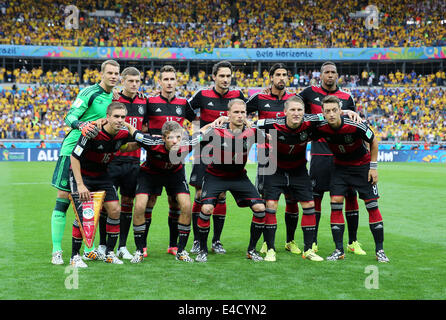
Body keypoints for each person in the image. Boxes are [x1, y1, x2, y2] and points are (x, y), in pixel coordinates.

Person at [50, 59, 120, 265]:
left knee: (89, 201)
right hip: (72, 149)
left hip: (91, 156)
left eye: (117, 73)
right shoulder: (90, 93)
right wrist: (82, 125)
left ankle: (89, 248)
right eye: (110, 73)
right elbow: (70, 116)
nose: (114, 76)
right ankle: (57, 250)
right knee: (63, 198)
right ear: (102, 74)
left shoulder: (113, 97)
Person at [124, 120, 216, 263]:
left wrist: (214, 123)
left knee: (186, 205)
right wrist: (122, 123)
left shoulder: (187, 143)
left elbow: (202, 132)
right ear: (163, 138)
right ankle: (139, 250)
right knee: (140, 206)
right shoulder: (152, 142)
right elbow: (134, 132)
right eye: (171, 138)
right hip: (150, 174)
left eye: (178, 137)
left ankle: (181, 250)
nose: (175, 141)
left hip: (175, 174)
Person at [298, 61, 364, 255]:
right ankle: (314, 241)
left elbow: (353, 124)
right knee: (316, 196)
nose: (329, 75)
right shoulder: (309, 93)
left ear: (337, 75)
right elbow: (293, 106)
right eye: (326, 72)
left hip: (344, 158)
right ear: (321, 75)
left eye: (333, 72)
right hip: (319, 154)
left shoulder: (346, 97)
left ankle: (353, 241)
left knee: (351, 196)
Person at [315, 96, 389, 263]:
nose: (332, 114)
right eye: (327, 111)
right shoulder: (321, 127)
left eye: (334, 110)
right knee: (335, 204)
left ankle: (380, 251)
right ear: (323, 113)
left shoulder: (355, 125)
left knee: (371, 205)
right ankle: (338, 250)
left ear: (340, 111)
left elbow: (373, 140)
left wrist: (373, 167)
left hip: (362, 167)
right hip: (339, 168)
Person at [253, 96, 324, 262]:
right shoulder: (271, 123)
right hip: (274, 169)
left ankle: (308, 250)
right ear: (284, 112)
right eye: (292, 110)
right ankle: (270, 249)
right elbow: (248, 124)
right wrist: (224, 118)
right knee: (270, 205)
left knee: (309, 205)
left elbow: (330, 116)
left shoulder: (311, 122)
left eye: (299, 110)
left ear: (304, 112)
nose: (296, 113)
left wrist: (348, 111)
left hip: (298, 170)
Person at [195, 99, 266, 263]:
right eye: (236, 112)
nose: (240, 115)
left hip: (238, 176)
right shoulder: (217, 131)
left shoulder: (252, 133)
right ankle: (203, 250)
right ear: (228, 114)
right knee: (206, 208)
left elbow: (269, 138)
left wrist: (250, 124)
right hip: (216, 175)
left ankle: (251, 250)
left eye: (243, 112)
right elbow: (197, 136)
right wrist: (213, 123)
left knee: (260, 209)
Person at [69, 102, 138, 267]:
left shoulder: (122, 134)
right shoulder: (93, 131)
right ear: (107, 117)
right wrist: (80, 185)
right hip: (82, 176)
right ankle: (74, 256)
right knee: (83, 215)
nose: (120, 120)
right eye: (116, 116)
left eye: (123, 117)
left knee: (115, 210)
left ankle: (109, 253)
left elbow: (131, 143)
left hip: (102, 176)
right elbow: (74, 157)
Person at [188, 60, 246, 255]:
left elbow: (245, 118)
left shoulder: (238, 96)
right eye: (221, 76)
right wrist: (202, 129)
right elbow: (185, 113)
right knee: (199, 195)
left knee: (221, 196)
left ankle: (217, 241)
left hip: (228, 153)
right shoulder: (202, 95)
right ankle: (197, 241)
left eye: (228, 76)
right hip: (205, 153)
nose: (225, 79)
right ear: (214, 77)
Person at [247, 63, 303, 256]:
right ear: (271, 77)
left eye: (284, 75)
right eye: (278, 75)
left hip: (292, 156)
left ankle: (290, 241)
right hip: (267, 156)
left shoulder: (295, 100)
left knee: (292, 200)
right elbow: (242, 114)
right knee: (267, 201)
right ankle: (266, 242)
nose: (281, 78)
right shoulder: (259, 98)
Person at [144, 65, 197, 257]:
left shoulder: (183, 103)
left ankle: (173, 245)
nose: (169, 82)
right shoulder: (150, 102)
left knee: (176, 204)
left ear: (176, 81)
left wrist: (187, 139)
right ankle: (143, 247)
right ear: (159, 82)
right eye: (165, 79)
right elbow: (141, 125)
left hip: (175, 164)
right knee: (149, 202)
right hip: (154, 161)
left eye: (172, 79)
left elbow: (197, 122)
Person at [99, 66, 149, 261]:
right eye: (130, 81)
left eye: (137, 81)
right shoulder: (113, 100)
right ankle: (103, 245)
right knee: (108, 205)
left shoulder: (144, 102)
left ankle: (122, 246)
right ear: (123, 81)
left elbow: (145, 127)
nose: (134, 84)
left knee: (127, 203)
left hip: (134, 161)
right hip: (111, 159)